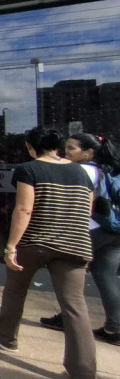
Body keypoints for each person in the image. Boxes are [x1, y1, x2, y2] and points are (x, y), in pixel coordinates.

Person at [0, 127, 95, 379]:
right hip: (74, 244)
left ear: (29, 146)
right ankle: (83, 370)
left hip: (36, 241)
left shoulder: (29, 169)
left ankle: (5, 337)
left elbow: (24, 209)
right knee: (75, 306)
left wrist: (11, 246)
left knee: (15, 289)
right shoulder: (80, 171)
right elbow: (87, 211)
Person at [39, 133, 120, 346]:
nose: (66, 152)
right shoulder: (106, 171)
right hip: (112, 230)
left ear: (88, 152)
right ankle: (115, 327)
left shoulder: (80, 170)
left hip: (89, 231)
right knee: (106, 276)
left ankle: (69, 318)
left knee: (69, 277)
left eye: (72, 148)